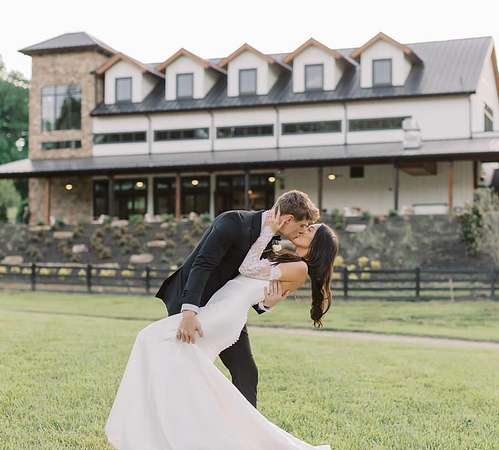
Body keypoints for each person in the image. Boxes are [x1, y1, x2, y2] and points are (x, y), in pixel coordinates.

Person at [104, 204, 339, 449]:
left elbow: (248, 271)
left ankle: (226, 436)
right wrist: (265, 303)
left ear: (317, 246)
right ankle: (178, 430)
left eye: (310, 229)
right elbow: (235, 276)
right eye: (305, 225)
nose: (304, 229)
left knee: (153, 341)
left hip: (224, 313)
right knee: (181, 365)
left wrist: (268, 237)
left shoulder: (298, 266)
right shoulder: (259, 237)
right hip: (213, 305)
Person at [154, 190, 320, 408]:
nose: (302, 232)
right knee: (186, 369)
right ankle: (168, 414)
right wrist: (188, 313)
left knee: (245, 371)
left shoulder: (271, 240)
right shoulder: (232, 222)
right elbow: (202, 264)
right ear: (288, 219)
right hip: (191, 303)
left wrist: (265, 305)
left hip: (226, 309)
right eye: (301, 226)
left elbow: (248, 282)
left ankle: (246, 428)